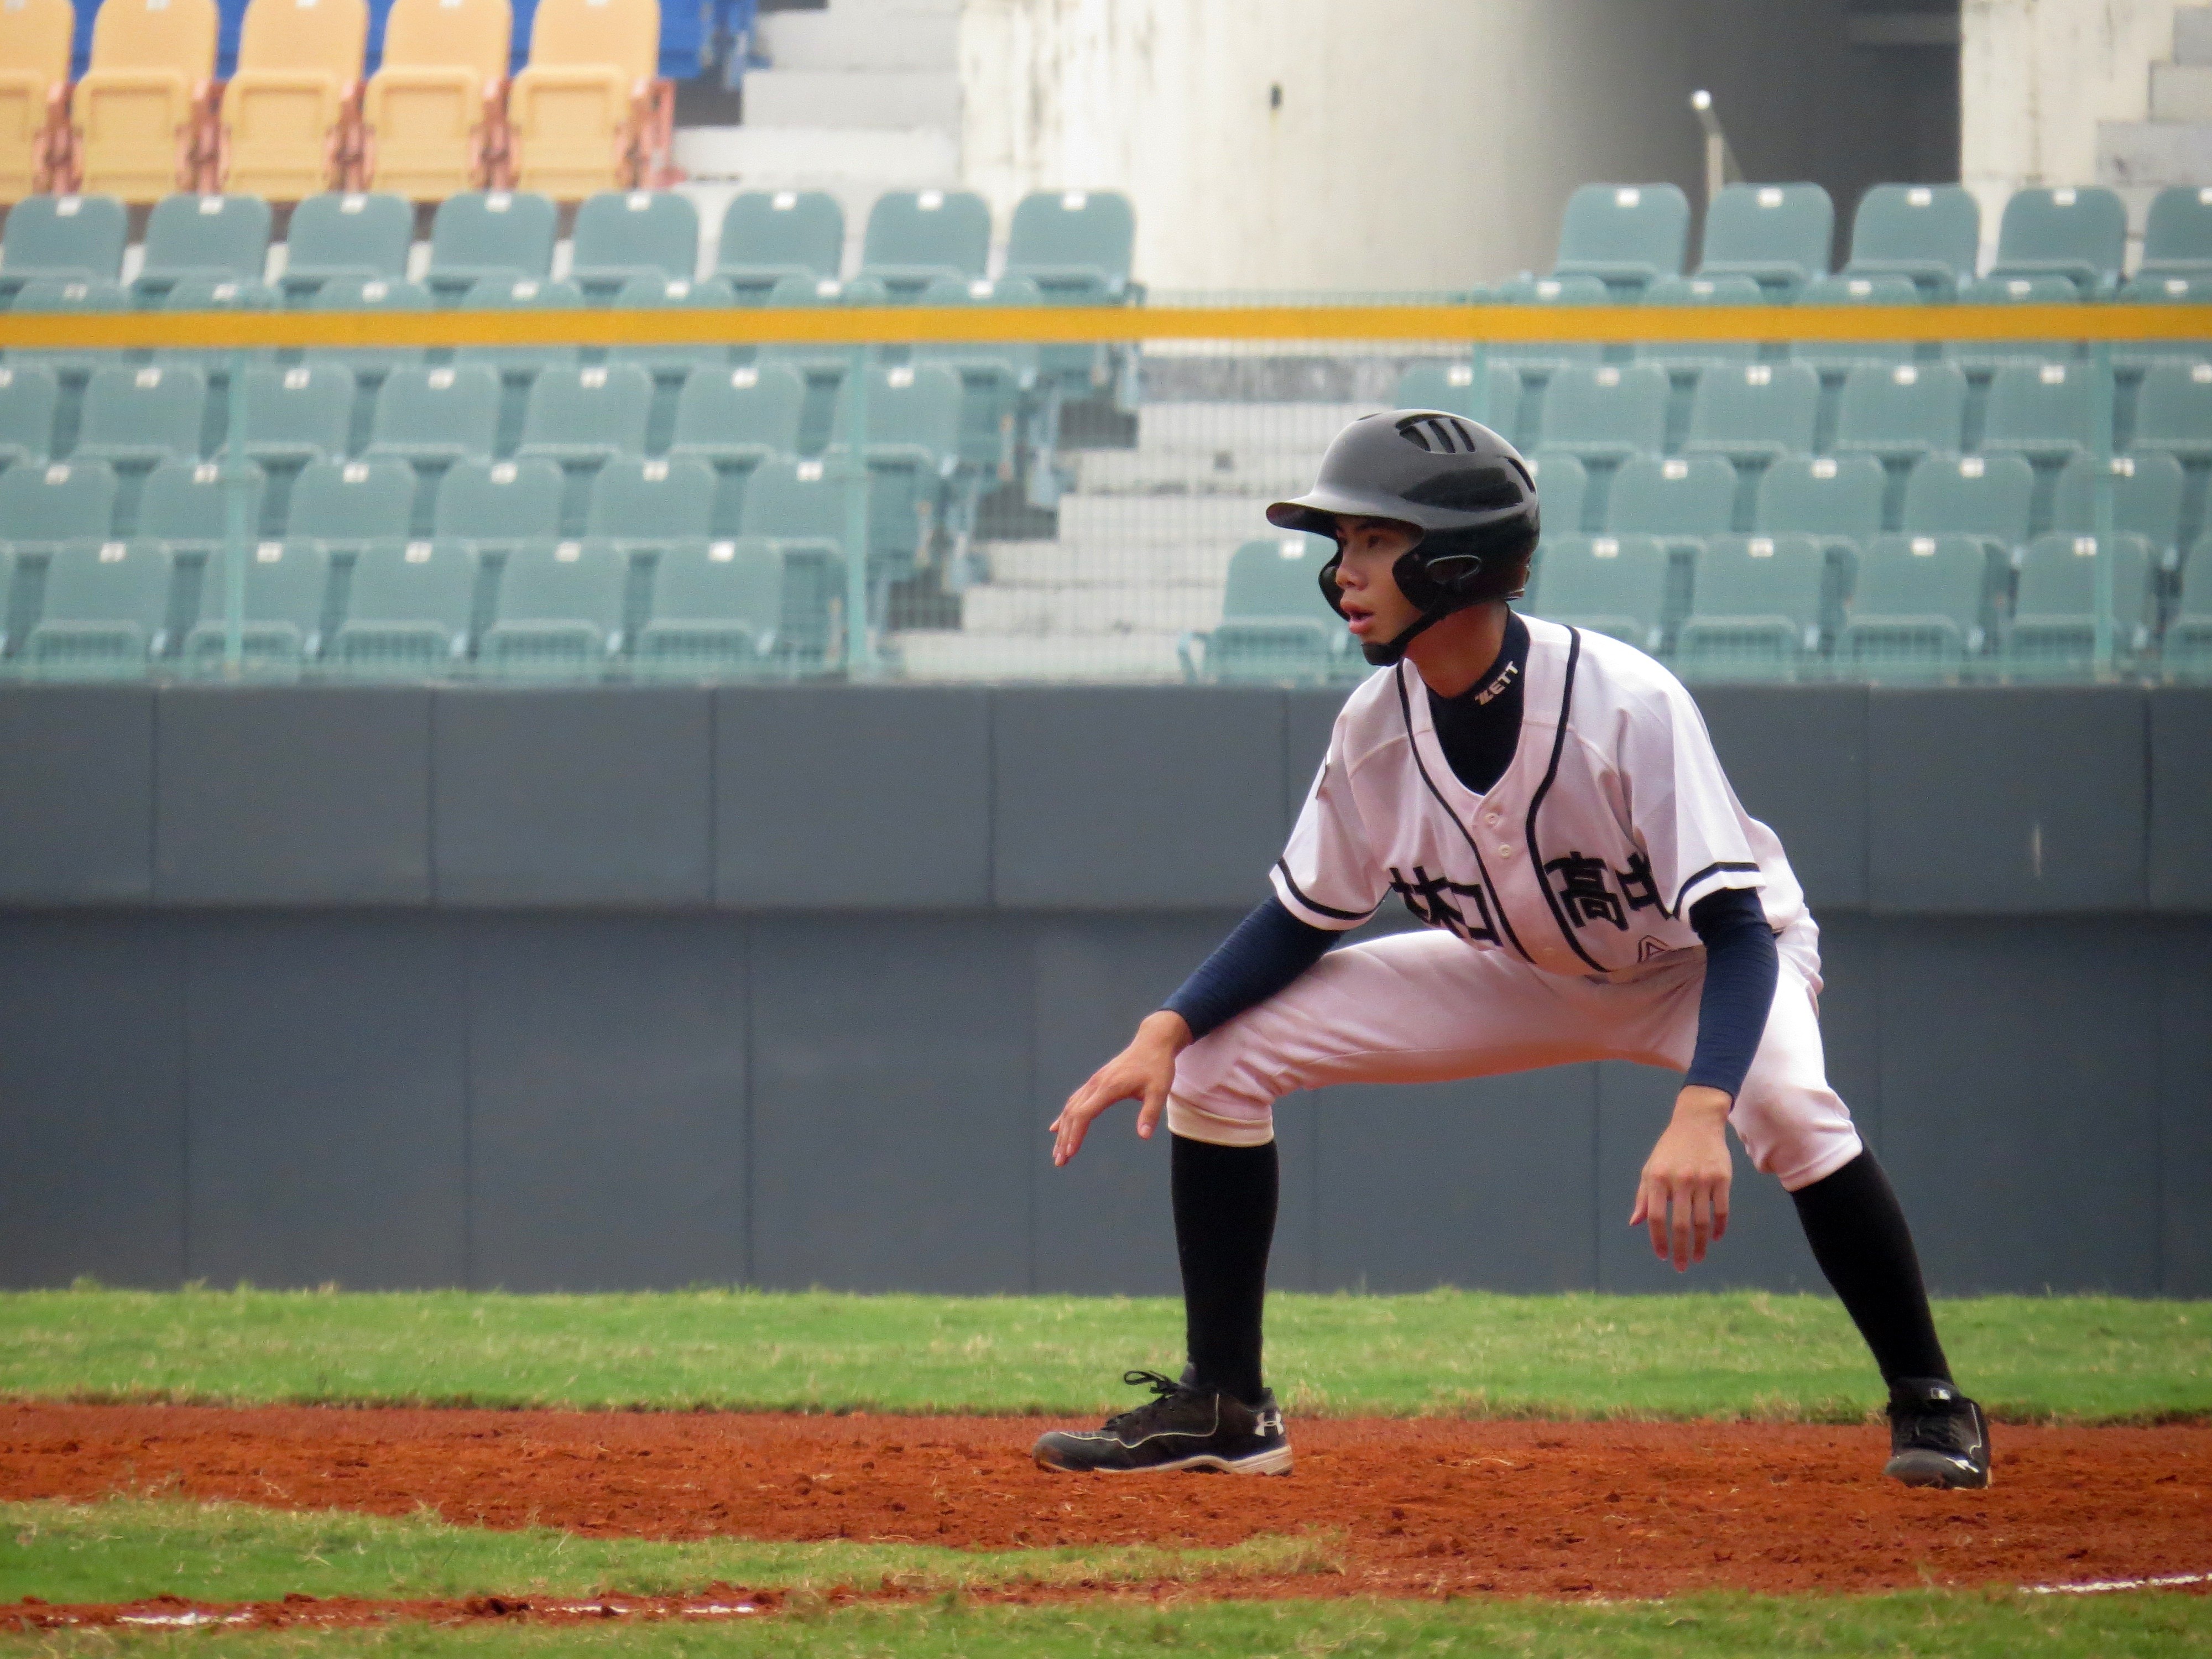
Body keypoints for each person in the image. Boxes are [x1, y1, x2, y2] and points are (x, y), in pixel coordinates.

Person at [1030, 410, 1989, 1490]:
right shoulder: (1373, 727)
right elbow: (1302, 918)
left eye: (1370, 544)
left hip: (1700, 969)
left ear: (1455, 559)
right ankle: (1226, 1408)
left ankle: (1929, 1399)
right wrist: (1165, 1028)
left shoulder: (1624, 704)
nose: (1341, 573)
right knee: (1216, 1060)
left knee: (1786, 1109)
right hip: (1518, 971)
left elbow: (1731, 928)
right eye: (1338, 547)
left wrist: (1697, 1109)